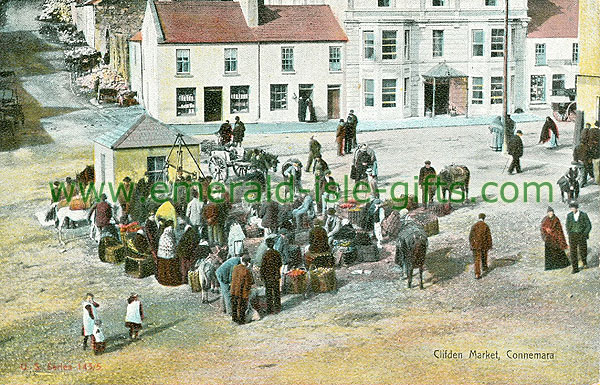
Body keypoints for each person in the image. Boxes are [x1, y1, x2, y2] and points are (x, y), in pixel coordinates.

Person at [565, 202, 592, 273]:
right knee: (573, 252)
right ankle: (575, 268)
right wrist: (569, 233)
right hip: (572, 236)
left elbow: (588, 225)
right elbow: (567, 225)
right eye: (571, 208)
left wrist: (585, 233)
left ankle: (584, 262)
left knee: (583, 250)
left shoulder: (583, 215)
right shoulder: (569, 215)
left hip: (581, 235)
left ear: (577, 208)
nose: (572, 209)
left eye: (573, 208)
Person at [260, 237, 282, 315]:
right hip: (275, 275)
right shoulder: (277, 253)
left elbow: (263, 266)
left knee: (269, 292)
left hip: (268, 276)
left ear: (266, 245)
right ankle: (278, 307)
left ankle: (270, 309)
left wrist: (262, 276)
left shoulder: (265, 255)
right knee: (276, 291)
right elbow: (280, 263)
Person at [230, 255, 254, 324]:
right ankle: (241, 321)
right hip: (241, 292)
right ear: (248, 262)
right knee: (242, 307)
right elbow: (248, 283)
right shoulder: (246, 271)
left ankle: (234, 318)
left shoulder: (236, 268)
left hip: (234, 290)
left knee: (234, 305)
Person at [156, 220, 181, 286]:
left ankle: (162, 279)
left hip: (162, 252)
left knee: (163, 266)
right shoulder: (170, 229)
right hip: (169, 251)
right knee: (169, 266)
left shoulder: (163, 233)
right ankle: (170, 280)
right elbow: (173, 240)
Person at [469, 213, 492, 279]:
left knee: (477, 259)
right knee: (484, 256)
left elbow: (470, 236)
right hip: (483, 244)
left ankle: (477, 273)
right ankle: (484, 267)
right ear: (484, 218)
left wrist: (472, 244)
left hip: (476, 245)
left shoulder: (474, 225)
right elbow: (488, 236)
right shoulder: (485, 226)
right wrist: (489, 245)